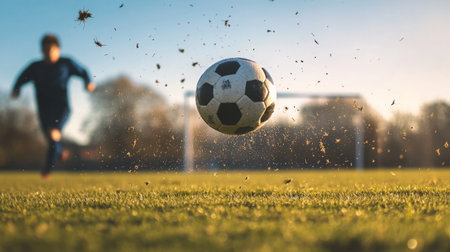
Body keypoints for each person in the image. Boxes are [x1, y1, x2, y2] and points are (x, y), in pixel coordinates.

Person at [11, 34, 95, 178]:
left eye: (51, 50)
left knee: (53, 134)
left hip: (62, 108)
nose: (48, 53)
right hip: (44, 110)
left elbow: (83, 71)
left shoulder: (66, 63)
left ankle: (47, 170)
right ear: (41, 51)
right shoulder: (35, 67)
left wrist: (87, 82)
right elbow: (21, 78)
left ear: (58, 50)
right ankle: (60, 152)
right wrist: (16, 89)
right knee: (52, 139)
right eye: (45, 50)